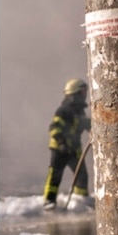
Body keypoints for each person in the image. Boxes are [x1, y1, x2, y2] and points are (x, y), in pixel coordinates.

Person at [42, 78, 90, 210]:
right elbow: (54, 128)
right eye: (82, 91)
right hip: (60, 149)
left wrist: (92, 126)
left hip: (74, 149)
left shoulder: (79, 110)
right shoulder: (64, 110)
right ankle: (49, 201)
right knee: (55, 175)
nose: (85, 94)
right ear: (75, 93)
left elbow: (81, 123)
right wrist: (62, 143)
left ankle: (81, 200)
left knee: (81, 175)